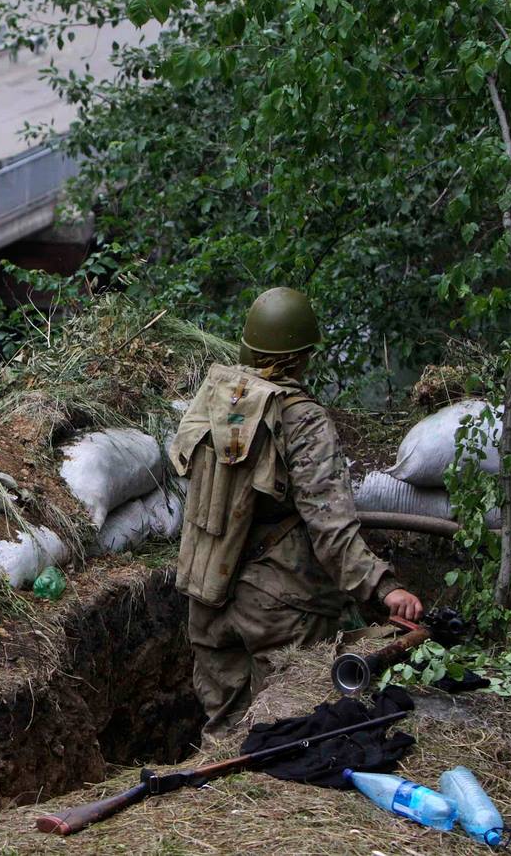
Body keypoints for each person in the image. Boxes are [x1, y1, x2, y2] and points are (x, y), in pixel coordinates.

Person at [171, 287, 423, 734]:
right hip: (280, 606)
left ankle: (223, 799)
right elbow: (330, 525)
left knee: (223, 727)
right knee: (283, 728)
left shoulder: (215, 399)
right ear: (304, 355)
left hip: (207, 589)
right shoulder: (302, 420)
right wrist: (382, 588)